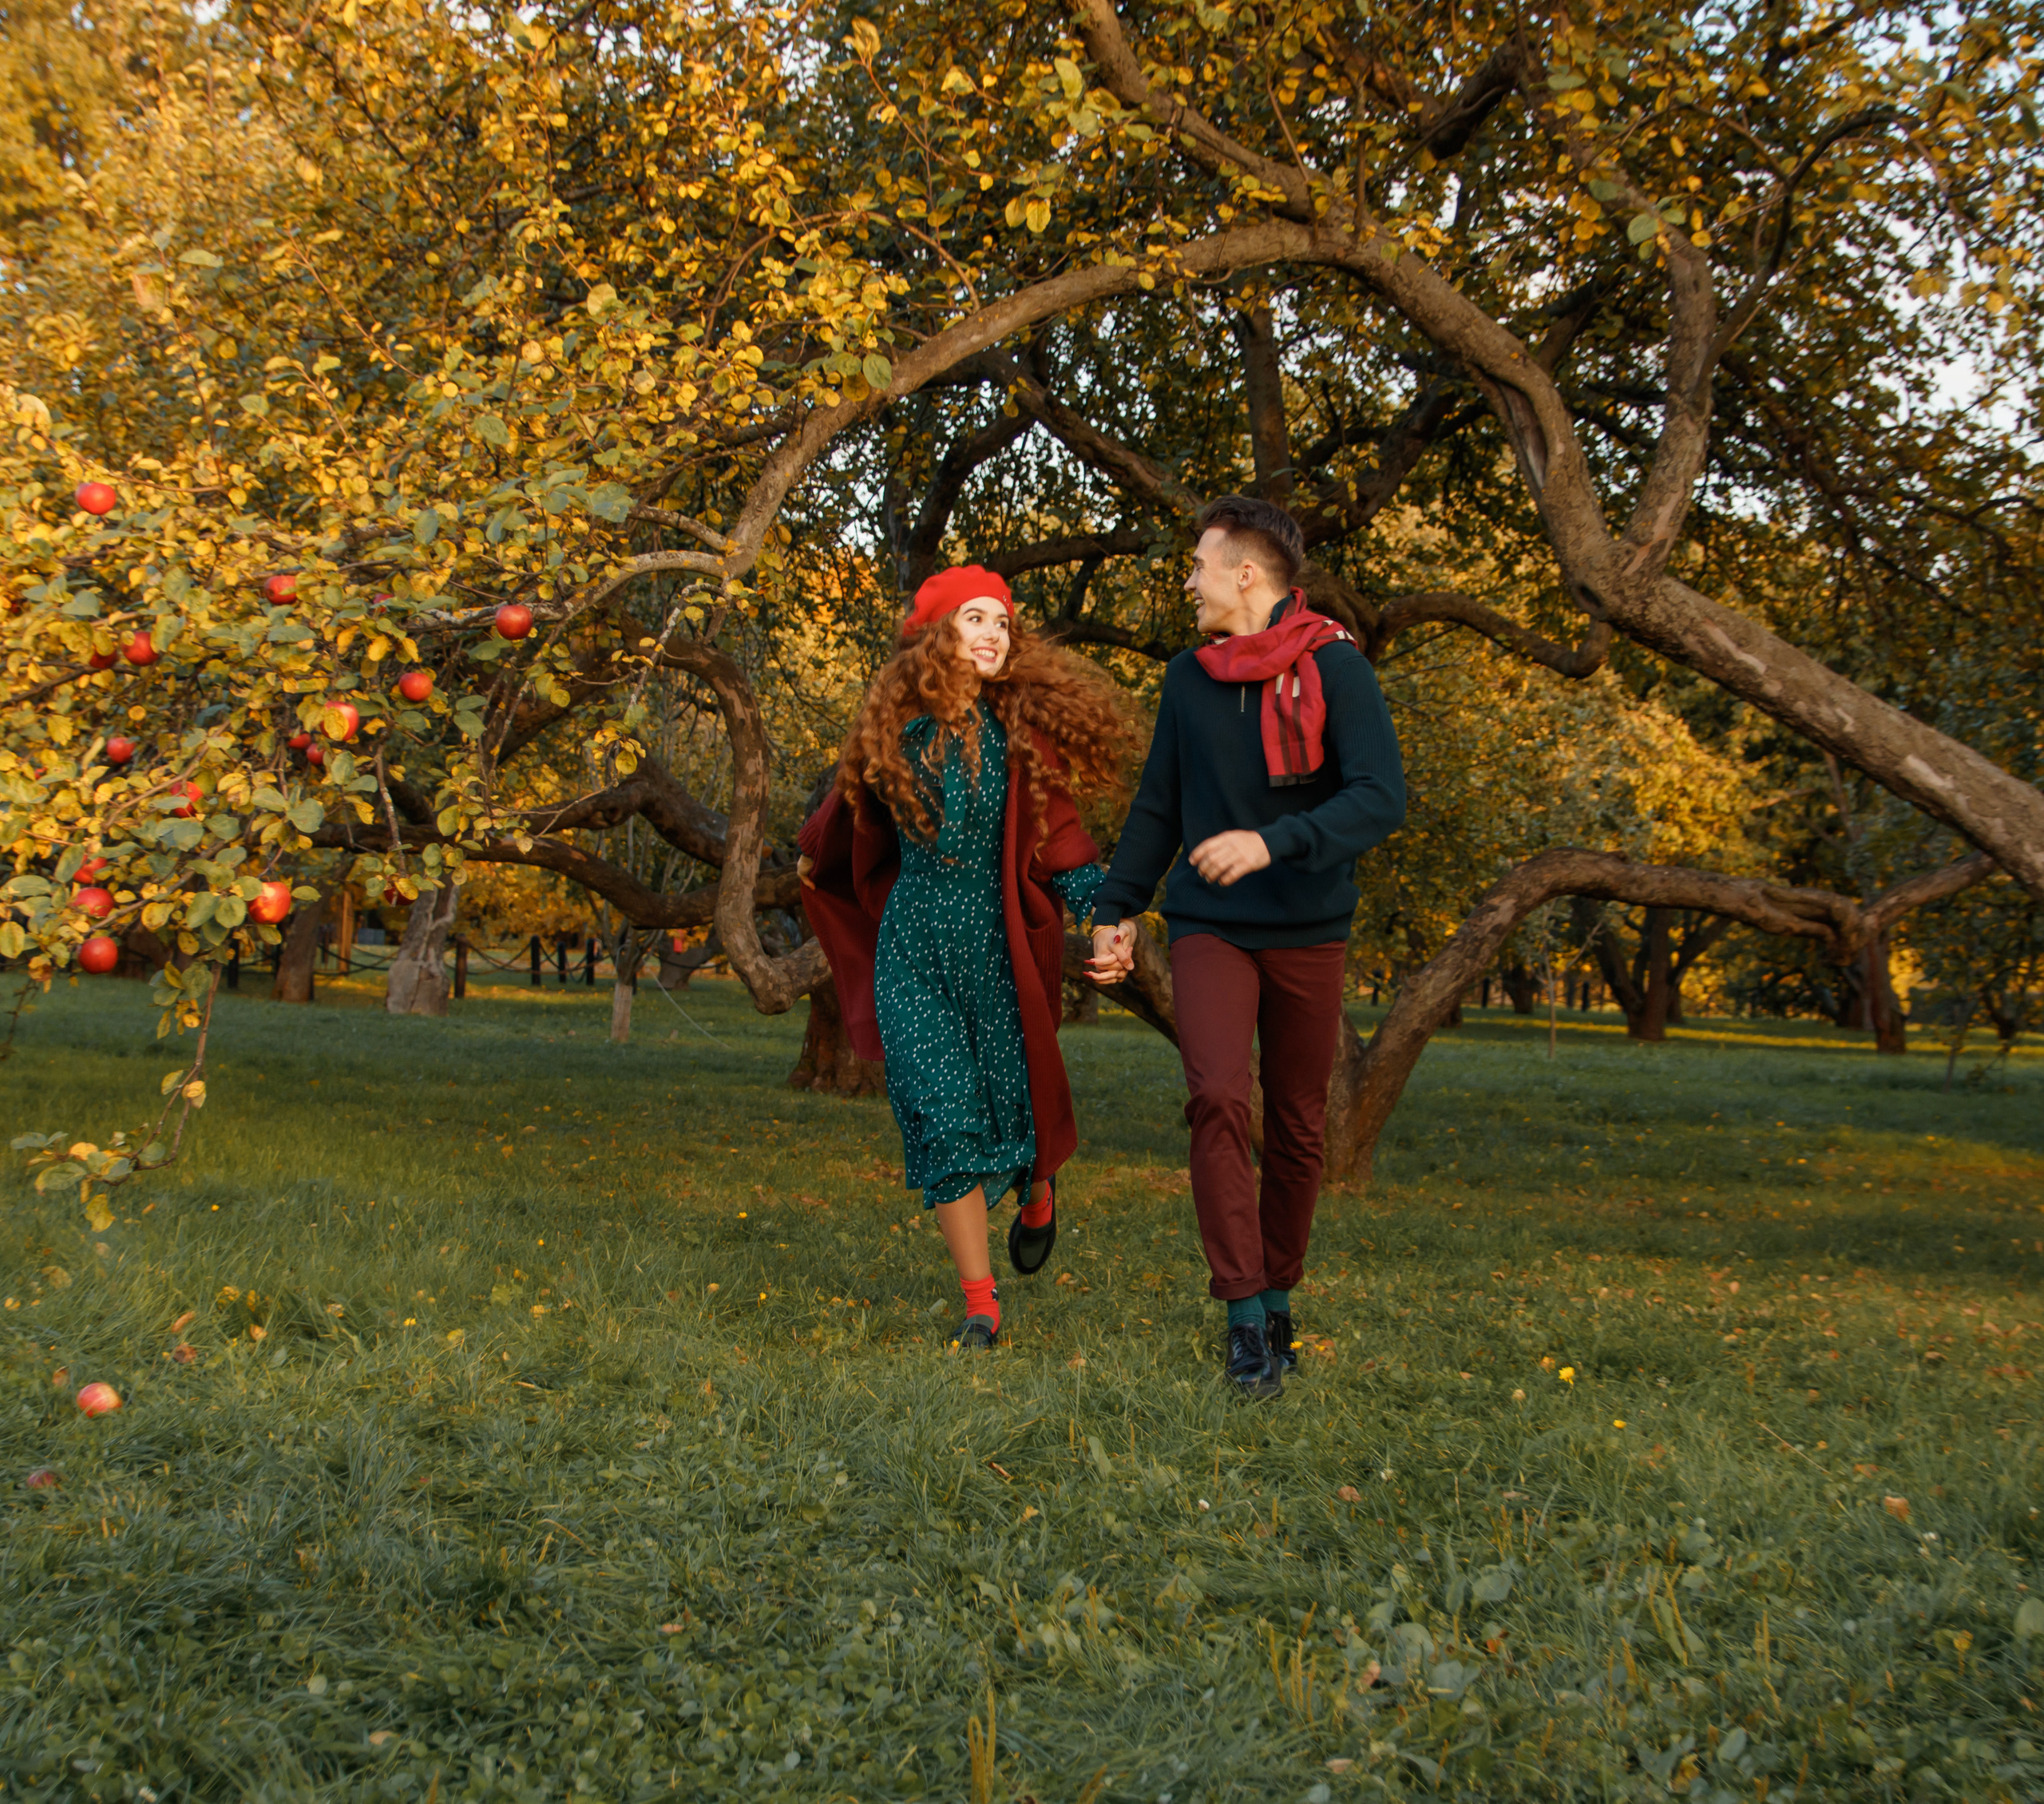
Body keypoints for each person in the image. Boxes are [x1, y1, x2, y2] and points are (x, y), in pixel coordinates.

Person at [1087, 497, 1404, 1400]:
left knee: (1300, 1127)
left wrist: (1274, 841)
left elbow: (1380, 798)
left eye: (1196, 564)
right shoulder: (1188, 679)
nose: (1186, 580)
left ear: (1246, 575)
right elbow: (1159, 804)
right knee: (1219, 1097)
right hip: (1210, 926)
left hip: (1307, 928)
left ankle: (1277, 1297)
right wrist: (1118, 909)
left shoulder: (1338, 669)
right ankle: (1240, 1317)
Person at [800, 565, 1135, 1350]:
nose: (991, 634)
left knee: (1018, 1108)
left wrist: (1107, 913)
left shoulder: (1018, 734)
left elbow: (1066, 849)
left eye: (1001, 623)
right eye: (973, 619)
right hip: (913, 947)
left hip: (999, 946)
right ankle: (979, 1306)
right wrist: (808, 857)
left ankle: (1040, 1188)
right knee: (939, 1121)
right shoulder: (888, 731)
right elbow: (837, 826)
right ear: (934, 632)